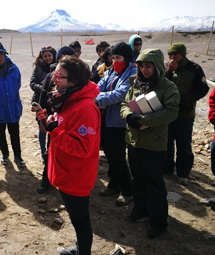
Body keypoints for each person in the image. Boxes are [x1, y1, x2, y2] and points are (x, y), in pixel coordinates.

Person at [37, 55, 100, 255]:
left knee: (81, 221)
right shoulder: (68, 99)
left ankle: (83, 252)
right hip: (67, 172)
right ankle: (81, 248)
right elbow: (63, 126)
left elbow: (83, 148)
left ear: (73, 81)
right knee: (75, 217)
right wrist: (49, 122)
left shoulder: (85, 108)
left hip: (76, 176)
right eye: (54, 73)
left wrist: (55, 130)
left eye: (59, 76)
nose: (54, 78)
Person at [120, 48, 180, 239]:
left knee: (154, 183)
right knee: (138, 179)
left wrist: (144, 120)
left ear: (157, 67)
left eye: (148, 66)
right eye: (141, 66)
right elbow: (124, 104)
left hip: (154, 143)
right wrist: (128, 116)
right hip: (134, 141)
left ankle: (158, 221)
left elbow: (171, 112)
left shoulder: (167, 87)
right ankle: (141, 210)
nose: (144, 70)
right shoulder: (135, 84)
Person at [94, 42, 136, 206]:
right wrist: (98, 96)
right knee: (110, 155)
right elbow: (99, 87)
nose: (115, 61)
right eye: (113, 57)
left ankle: (127, 191)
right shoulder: (111, 71)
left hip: (120, 121)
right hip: (106, 119)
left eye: (118, 58)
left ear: (126, 58)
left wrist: (96, 99)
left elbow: (120, 94)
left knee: (118, 157)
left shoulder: (132, 73)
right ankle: (113, 184)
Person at [164, 43, 209, 185]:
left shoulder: (194, 68)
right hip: (168, 113)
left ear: (182, 54)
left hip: (185, 113)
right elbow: (161, 84)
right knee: (167, 142)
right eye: (170, 55)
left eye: (175, 54)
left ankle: (183, 172)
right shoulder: (166, 67)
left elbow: (202, 89)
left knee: (184, 144)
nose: (172, 57)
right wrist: (170, 72)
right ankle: (167, 169)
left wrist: (184, 101)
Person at [36, 46, 75, 194]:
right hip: (54, 122)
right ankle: (47, 179)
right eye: (62, 59)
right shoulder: (51, 78)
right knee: (51, 150)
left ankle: (68, 182)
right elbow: (42, 100)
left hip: (72, 123)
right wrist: (40, 119)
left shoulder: (79, 81)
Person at [30, 46, 57, 162]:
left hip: (54, 101)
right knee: (42, 126)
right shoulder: (38, 67)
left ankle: (50, 151)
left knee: (52, 125)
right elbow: (32, 83)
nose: (47, 58)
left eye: (49, 55)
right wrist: (44, 88)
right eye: (45, 56)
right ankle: (42, 151)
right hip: (40, 100)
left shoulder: (58, 67)